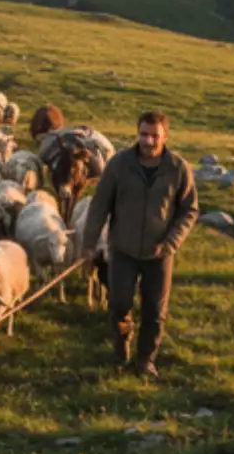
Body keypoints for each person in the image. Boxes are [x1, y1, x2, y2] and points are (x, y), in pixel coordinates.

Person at [80, 111, 199, 377]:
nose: (148, 140)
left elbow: (189, 211)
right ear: (138, 133)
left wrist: (171, 242)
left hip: (160, 253)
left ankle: (145, 359)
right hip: (123, 249)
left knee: (155, 310)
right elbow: (100, 205)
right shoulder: (119, 164)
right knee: (119, 304)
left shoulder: (178, 169)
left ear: (165, 136)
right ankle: (122, 344)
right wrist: (89, 244)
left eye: (154, 135)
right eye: (144, 134)